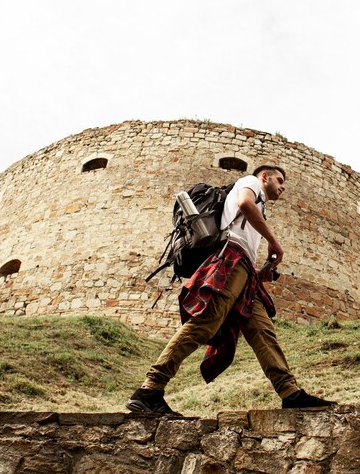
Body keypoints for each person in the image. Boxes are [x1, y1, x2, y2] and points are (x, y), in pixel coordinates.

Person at [127, 164, 336, 415]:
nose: (283, 187)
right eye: (280, 180)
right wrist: (274, 242)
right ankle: (150, 389)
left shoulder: (261, 204)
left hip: (245, 271)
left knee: (263, 332)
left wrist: (261, 272)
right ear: (265, 176)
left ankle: (290, 393)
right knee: (205, 322)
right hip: (231, 260)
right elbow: (244, 205)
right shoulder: (250, 182)